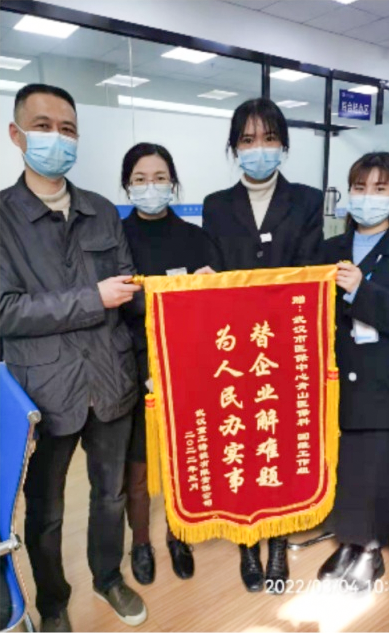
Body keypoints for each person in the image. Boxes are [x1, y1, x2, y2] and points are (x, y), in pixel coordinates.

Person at [0, 84, 146, 630]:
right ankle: (54, 603)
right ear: (17, 135)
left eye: (67, 129)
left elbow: (128, 290)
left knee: (110, 495)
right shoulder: (2, 217)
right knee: (46, 511)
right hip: (44, 390)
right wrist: (91, 299)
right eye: (43, 127)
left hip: (110, 381)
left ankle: (108, 578)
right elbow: (5, 310)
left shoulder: (101, 211)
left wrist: (183, 291)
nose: (56, 139)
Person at [202, 97, 324, 593]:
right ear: (234, 147)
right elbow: (214, 273)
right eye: (248, 139)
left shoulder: (308, 200)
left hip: (286, 343)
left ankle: (277, 543)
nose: (259, 148)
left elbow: (308, 271)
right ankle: (246, 543)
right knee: (240, 443)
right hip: (233, 346)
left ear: (284, 145)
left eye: (269, 138)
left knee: (281, 440)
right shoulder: (216, 205)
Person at [120, 142, 222, 586]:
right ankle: (140, 542)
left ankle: (179, 535)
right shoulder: (115, 238)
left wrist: (206, 290)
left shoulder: (195, 238)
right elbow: (113, 301)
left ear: (173, 183)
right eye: (140, 179)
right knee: (138, 465)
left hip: (186, 366)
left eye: (160, 178)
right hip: (132, 366)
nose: (151, 187)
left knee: (183, 458)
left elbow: (217, 307)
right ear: (127, 185)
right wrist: (164, 298)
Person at [320, 152, 389, 591]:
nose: (367, 196)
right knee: (350, 464)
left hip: (385, 376)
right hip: (340, 374)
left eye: (380, 188)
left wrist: (362, 289)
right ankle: (349, 542)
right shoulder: (329, 250)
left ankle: (371, 551)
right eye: (360, 187)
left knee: (381, 463)